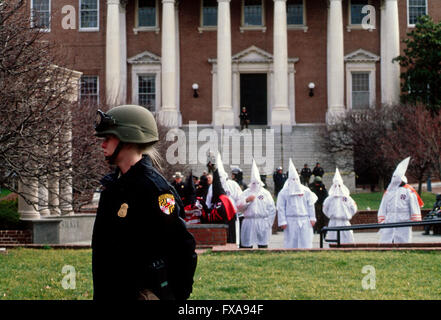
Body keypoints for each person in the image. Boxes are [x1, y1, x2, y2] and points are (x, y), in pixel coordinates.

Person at [92, 105, 197, 300]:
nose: (102, 145)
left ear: (128, 139)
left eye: (108, 138)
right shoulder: (113, 189)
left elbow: (182, 248)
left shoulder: (156, 190)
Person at [377, 157, 423, 243]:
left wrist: (415, 218)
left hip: (404, 220)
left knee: (403, 241)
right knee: (387, 241)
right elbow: (383, 206)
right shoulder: (389, 191)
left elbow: (414, 205)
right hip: (390, 220)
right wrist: (382, 219)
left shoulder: (409, 191)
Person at [277, 158, 318, 249]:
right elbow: (281, 207)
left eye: (296, 179)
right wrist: (282, 221)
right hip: (290, 220)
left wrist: (312, 218)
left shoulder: (306, 191)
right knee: (291, 242)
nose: (294, 181)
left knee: (305, 242)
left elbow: (310, 204)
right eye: (292, 179)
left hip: (304, 219)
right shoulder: (284, 192)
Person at [237, 160, 276, 248]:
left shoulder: (265, 193)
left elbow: (272, 209)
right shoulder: (246, 192)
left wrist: (269, 223)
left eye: (257, 183)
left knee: (262, 244)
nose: (255, 185)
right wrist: (246, 200)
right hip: (249, 221)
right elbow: (238, 207)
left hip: (262, 221)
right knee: (247, 244)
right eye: (253, 183)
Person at [205, 152, 243, 244]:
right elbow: (208, 202)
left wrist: (237, 211)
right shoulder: (212, 187)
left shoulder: (233, 185)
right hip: (218, 216)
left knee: (231, 237)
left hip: (231, 215)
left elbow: (240, 200)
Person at [323, 168, 357, 244]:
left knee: (348, 242)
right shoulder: (329, 199)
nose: (337, 188)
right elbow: (325, 209)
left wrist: (347, 214)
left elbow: (354, 208)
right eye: (336, 185)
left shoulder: (347, 198)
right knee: (333, 242)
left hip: (344, 222)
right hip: (333, 222)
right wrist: (331, 215)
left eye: (339, 185)